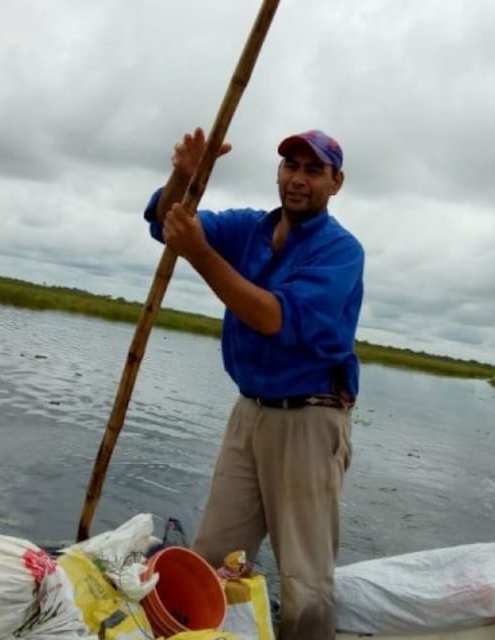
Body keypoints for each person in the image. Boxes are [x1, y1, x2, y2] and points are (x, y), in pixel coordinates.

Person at [142, 127, 364, 639]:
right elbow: (166, 223)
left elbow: (272, 318)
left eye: (314, 170)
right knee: (212, 555)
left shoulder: (340, 251)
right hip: (250, 411)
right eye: (291, 166)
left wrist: (199, 254)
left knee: (304, 579)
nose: (298, 179)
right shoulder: (250, 228)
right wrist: (183, 178)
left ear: (336, 183)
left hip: (310, 418)